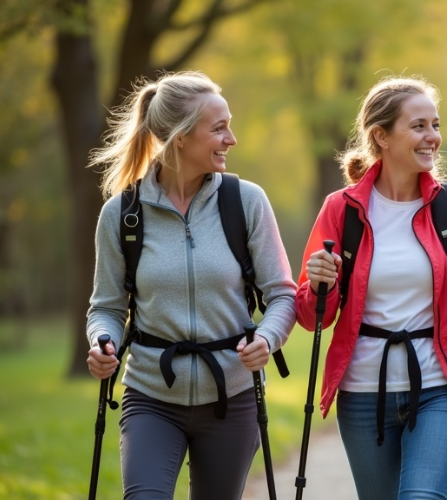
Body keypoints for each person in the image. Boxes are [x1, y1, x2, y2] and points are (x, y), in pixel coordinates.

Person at [294, 76, 447, 500]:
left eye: (435, 124)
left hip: (439, 387)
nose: (433, 137)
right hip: (361, 394)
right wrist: (322, 282)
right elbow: (310, 316)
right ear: (382, 136)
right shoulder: (342, 209)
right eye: (418, 126)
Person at [85, 71, 297, 499]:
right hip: (150, 395)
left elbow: (282, 294)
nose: (231, 139)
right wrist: (102, 341)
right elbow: (106, 306)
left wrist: (269, 339)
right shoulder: (122, 214)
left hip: (232, 395)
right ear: (180, 138)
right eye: (218, 129)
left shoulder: (246, 201)